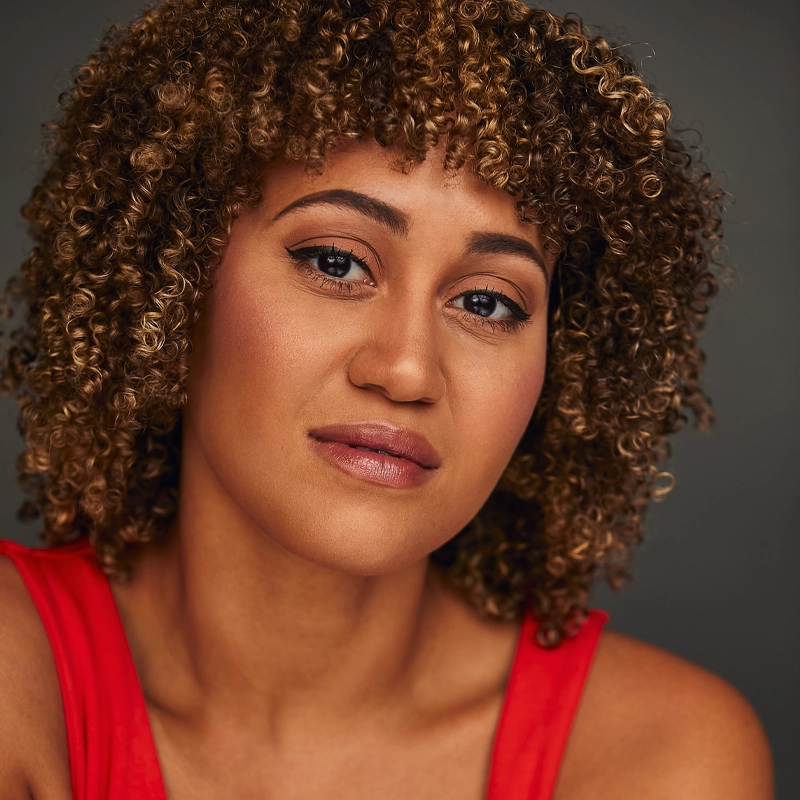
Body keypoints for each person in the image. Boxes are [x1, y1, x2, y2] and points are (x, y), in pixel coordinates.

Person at [0, 0, 773, 797]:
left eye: (486, 303)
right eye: (336, 262)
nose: (406, 371)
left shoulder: (659, 757)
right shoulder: (15, 678)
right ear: (173, 278)